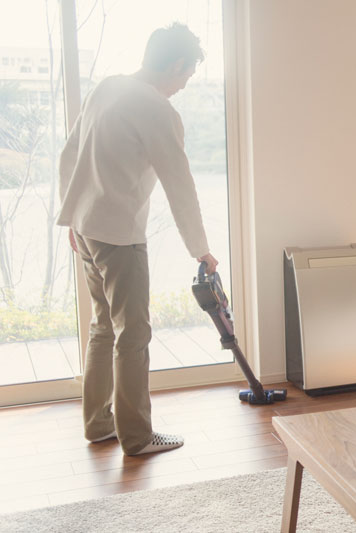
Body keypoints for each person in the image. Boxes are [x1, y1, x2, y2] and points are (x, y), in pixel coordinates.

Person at [57, 23, 218, 456]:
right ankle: (137, 437)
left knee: (102, 328)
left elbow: (69, 152)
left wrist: (71, 217)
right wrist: (200, 249)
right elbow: (180, 185)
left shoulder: (108, 87)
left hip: (88, 228)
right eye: (186, 76)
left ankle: (97, 424)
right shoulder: (157, 109)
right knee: (134, 334)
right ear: (176, 65)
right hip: (120, 237)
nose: (184, 86)